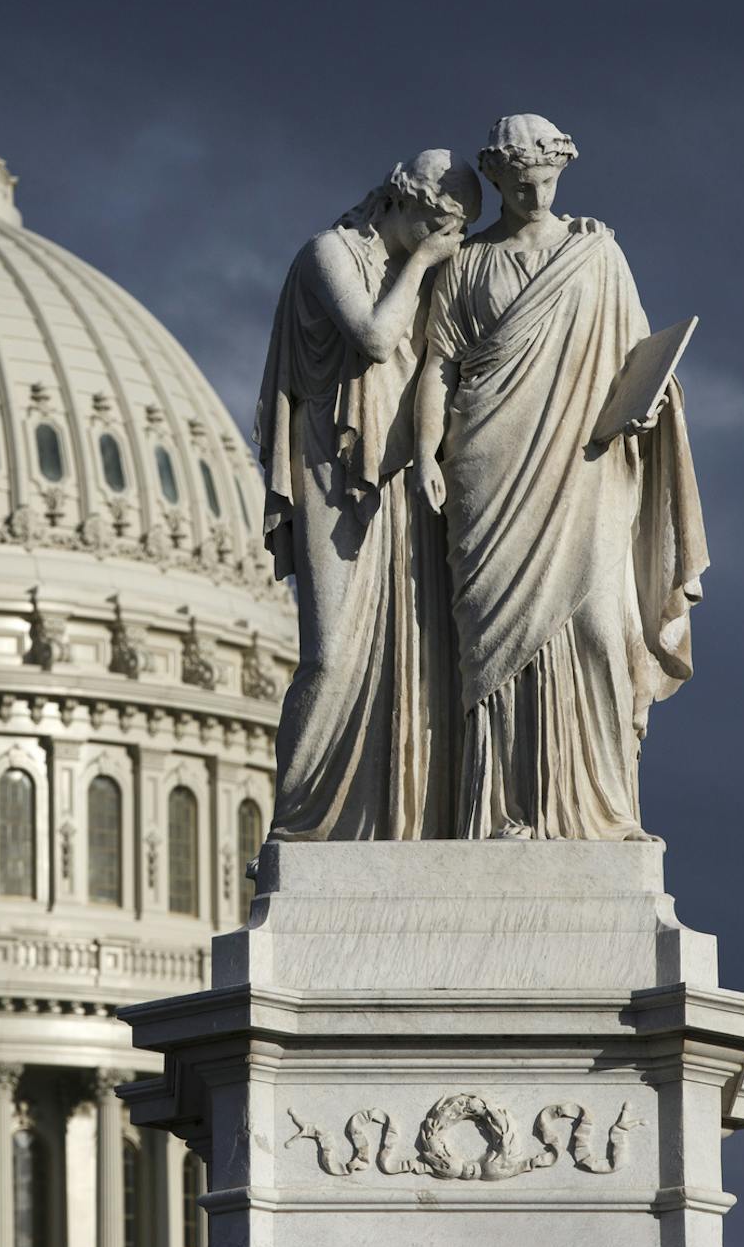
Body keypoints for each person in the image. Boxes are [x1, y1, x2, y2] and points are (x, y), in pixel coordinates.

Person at [414, 115, 708, 841]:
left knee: (600, 634)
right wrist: (424, 455)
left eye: (544, 181)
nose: (533, 195)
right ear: (496, 180)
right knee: (492, 648)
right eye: (518, 185)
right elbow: (438, 368)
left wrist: (649, 407)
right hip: (488, 469)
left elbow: (641, 358)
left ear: (561, 172)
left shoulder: (599, 255)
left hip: (587, 467)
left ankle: (601, 812)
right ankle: (501, 814)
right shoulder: (465, 265)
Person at [256, 150, 480, 841]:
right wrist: (420, 264)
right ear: (402, 202)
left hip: (404, 480)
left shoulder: (434, 270)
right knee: (330, 656)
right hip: (333, 469)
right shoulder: (330, 252)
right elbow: (376, 340)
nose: (453, 243)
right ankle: (295, 827)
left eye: (462, 232)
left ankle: (396, 822)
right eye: (443, 225)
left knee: (412, 659)